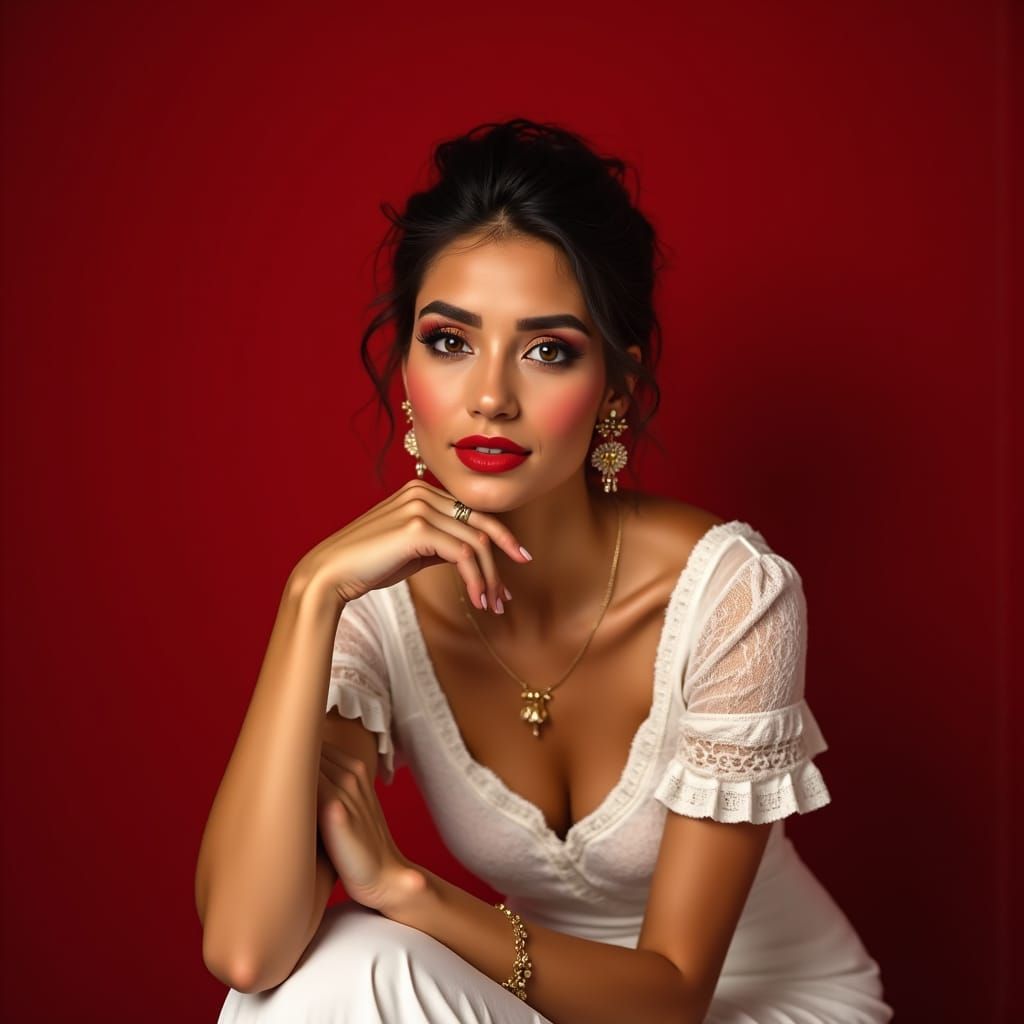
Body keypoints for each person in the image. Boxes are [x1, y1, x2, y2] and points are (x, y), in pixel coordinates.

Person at [197, 118, 894, 1023]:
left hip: (750, 1006)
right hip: (545, 1008)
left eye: (547, 349)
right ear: (405, 367)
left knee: (368, 953)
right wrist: (311, 595)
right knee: (325, 971)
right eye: (450, 340)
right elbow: (248, 950)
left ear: (615, 384)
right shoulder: (374, 607)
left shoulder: (731, 595)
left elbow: (673, 998)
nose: (490, 395)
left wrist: (412, 893)